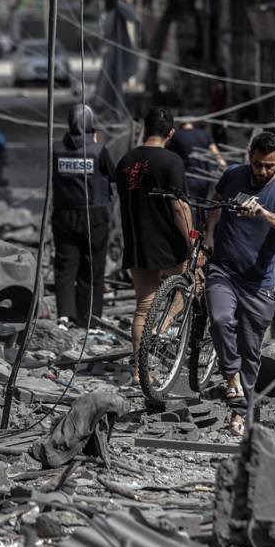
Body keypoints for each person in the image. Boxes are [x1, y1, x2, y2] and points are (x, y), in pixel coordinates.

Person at [204, 131, 275, 436]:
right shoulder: (233, 175)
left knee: (251, 352)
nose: (262, 172)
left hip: (259, 283)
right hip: (224, 270)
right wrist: (209, 234)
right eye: (258, 164)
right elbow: (217, 202)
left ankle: (239, 413)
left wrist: (262, 212)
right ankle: (230, 376)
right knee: (221, 319)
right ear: (249, 157)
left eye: (269, 167)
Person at [116, 108, 192, 385]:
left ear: (145, 130)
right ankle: (165, 325)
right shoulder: (172, 161)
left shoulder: (124, 162)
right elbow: (179, 206)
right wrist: (191, 237)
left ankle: (137, 373)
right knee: (193, 280)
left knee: (142, 308)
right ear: (171, 133)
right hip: (169, 244)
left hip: (138, 244)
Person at [52, 104, 115, 331]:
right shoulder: (99, 150)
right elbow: (113, 175)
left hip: (63, 214)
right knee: (93, 268)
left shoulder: (56, 149)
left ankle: (64, 316)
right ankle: (90, 318)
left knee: (65, 267)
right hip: (94, 215)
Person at [167, 118, 228, 202]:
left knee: (190, 208)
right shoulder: (204, 134)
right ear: (192, 121)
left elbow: (170, 157)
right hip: (205, 179)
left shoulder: (177, 135)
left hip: (188, 179)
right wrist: (224, 168)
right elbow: (217, 155)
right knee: (202, 208)